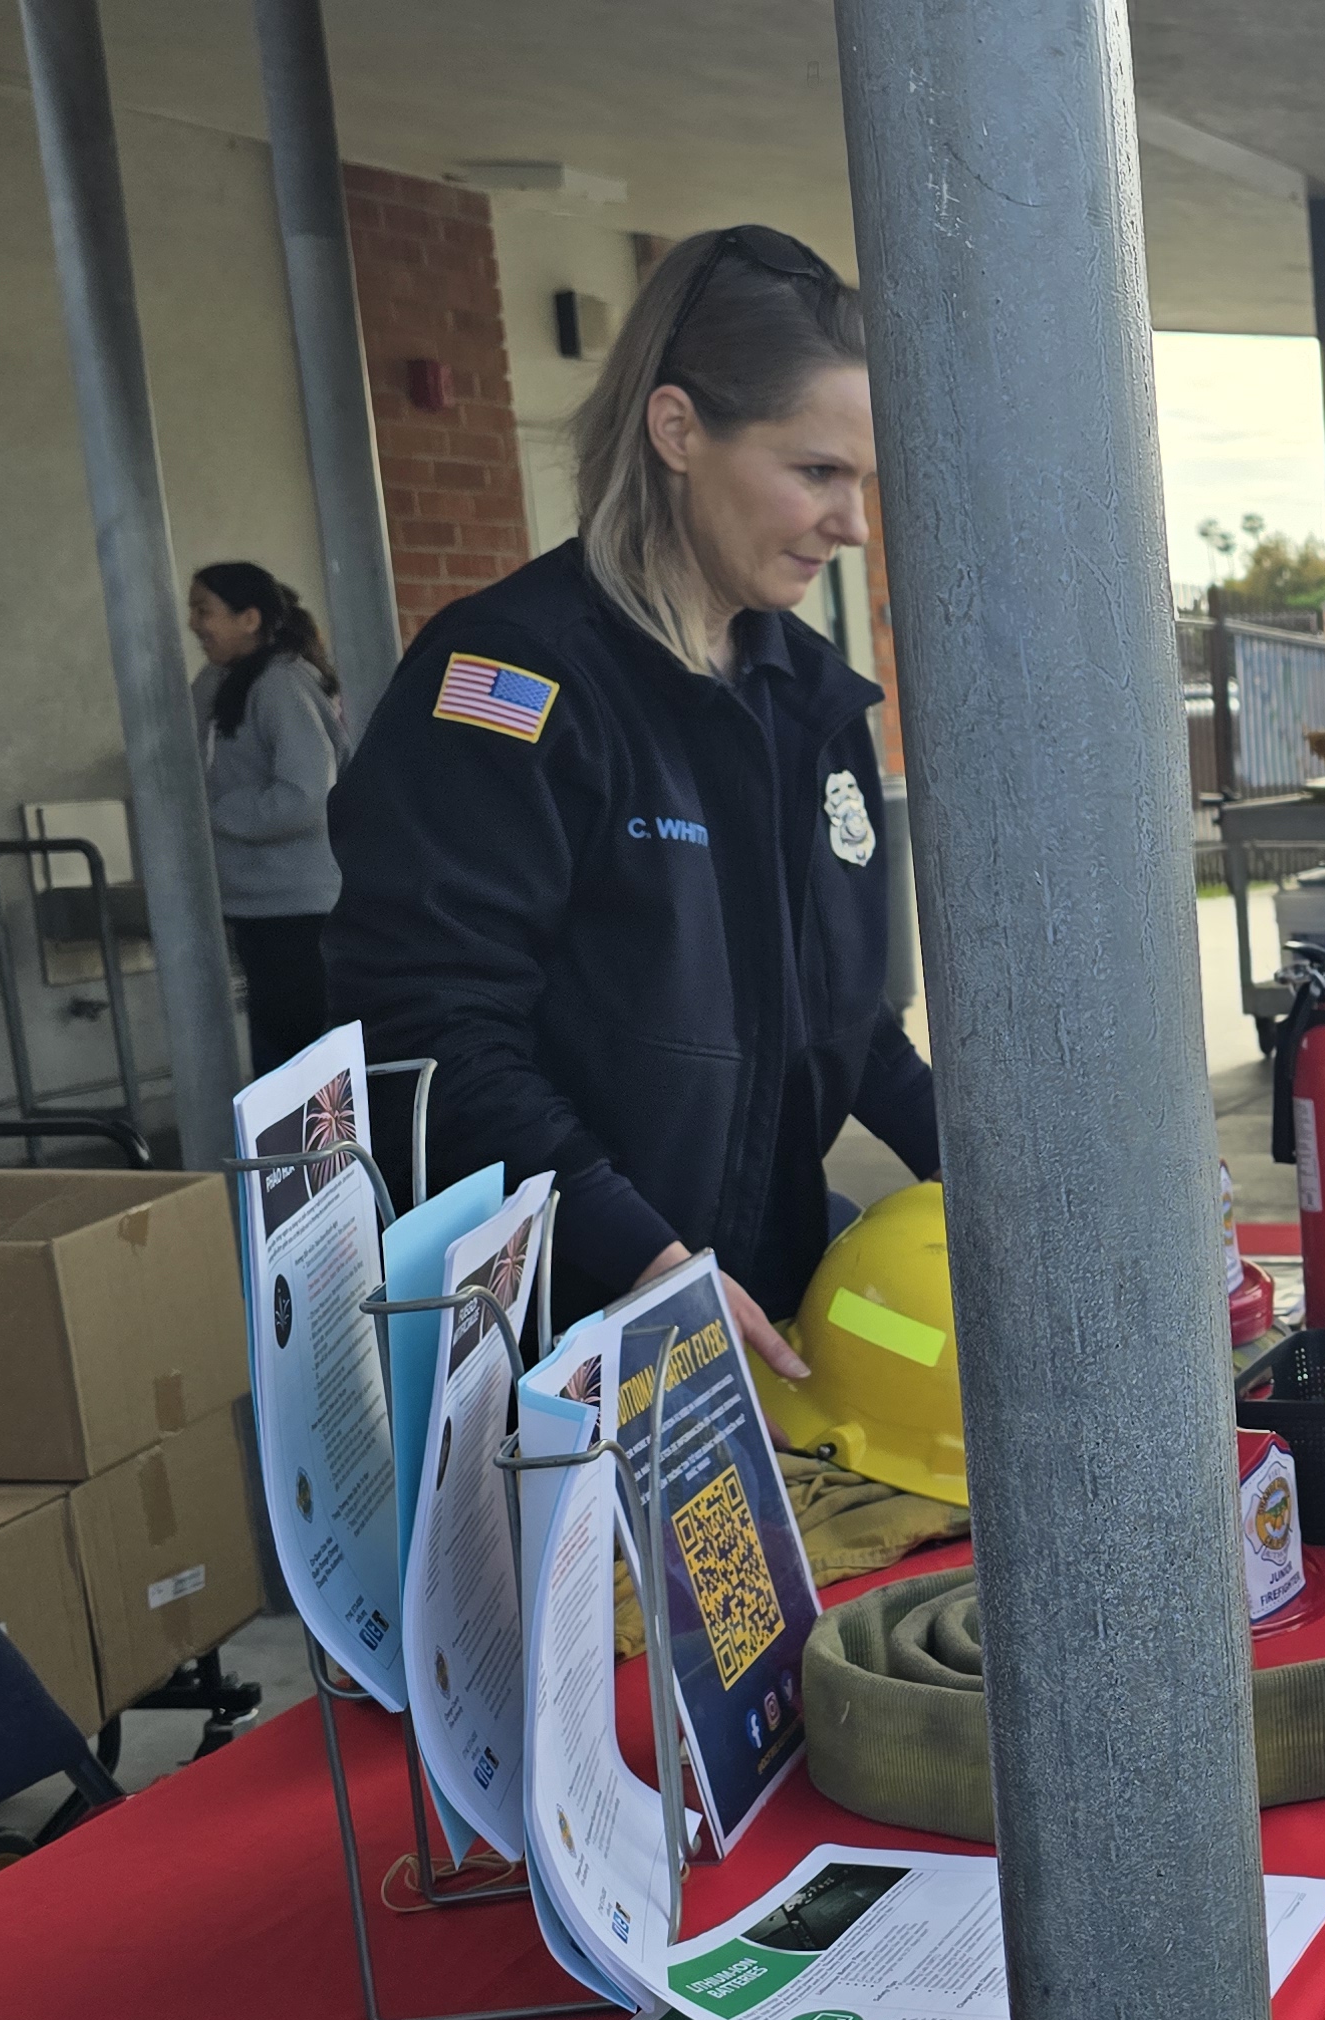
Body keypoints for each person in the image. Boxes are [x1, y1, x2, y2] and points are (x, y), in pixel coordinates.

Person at [325, 225, 931, 1376]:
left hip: (760, 1325)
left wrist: (1019, 1194)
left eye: (865, 481)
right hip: (554, 1346)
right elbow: (431, 1032)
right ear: (677, 431)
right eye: (817, 472)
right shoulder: (514, 684)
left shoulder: (810, 700)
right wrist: (643, 1254)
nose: (854, 526)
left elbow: (844, 1025)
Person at [186, 560, 350, 1074]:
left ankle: (318, 1157)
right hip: (262, 906)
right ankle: (296, 1155)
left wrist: (207, 814)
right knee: (282, 1056)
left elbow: (305, 795)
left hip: (298, 909)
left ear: (249, 618)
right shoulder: (228, 681)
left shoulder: (280, 685)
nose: (192, 623)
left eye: (203, 610)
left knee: (299, 1064)